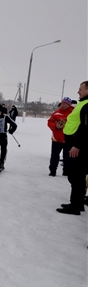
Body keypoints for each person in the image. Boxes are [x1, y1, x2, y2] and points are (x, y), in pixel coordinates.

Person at [57, 81, 88, 215]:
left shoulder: (87, 105)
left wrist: (77, 145)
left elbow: (86, 128)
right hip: (74, 144)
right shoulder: (83, 103)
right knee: (75, 175)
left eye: (80, 89)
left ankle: (75, 206)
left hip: (78, 147)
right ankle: (77, 203)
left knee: (76, 176)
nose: (78, 91)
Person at [47, 97, 74, 176]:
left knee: (67, 157)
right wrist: (56, 126)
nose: (63, 105)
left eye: (65, 103)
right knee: (54, 156)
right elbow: (49, 122)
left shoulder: (73, 113)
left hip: (68, 139)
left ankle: (66, 171)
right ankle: (52, 171)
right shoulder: (56, 113)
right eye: (62, 103)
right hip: (56, 138)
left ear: (69, 104)